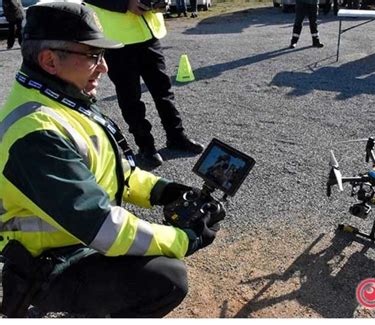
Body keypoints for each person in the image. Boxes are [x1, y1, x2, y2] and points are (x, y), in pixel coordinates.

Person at [0, 2, 221, 318]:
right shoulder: (33, 131)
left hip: (72, 240)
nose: (103, 67)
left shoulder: (62, 98)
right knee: (167, 278)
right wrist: (184, 239)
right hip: (48, 264)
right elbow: (103, 228)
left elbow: (119, 172)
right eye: (92, 56)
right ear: (49, 60)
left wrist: (167, 191)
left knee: (159, 268)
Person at [83, 0, 204, 169]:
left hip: (149, 33)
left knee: (163, 89)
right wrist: (125, 4)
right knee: (130, 97)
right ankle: (145, 146)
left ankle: (176, 136)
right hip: (118, 40)